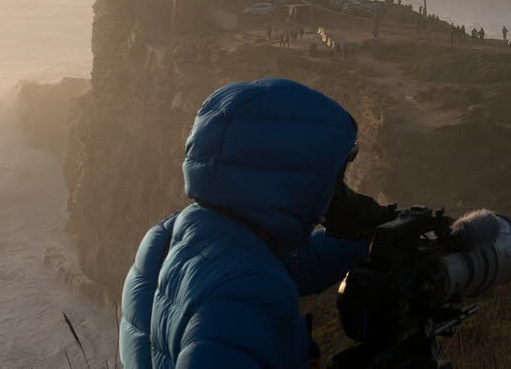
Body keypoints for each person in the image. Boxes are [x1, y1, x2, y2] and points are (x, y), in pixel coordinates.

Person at [119, 79, 397, 368]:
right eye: (334, 178)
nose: (338, 191)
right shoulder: (247, 291)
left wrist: (373, 236)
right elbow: (249, 288)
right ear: (293, 179)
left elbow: (289, 263)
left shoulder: (170, 236)